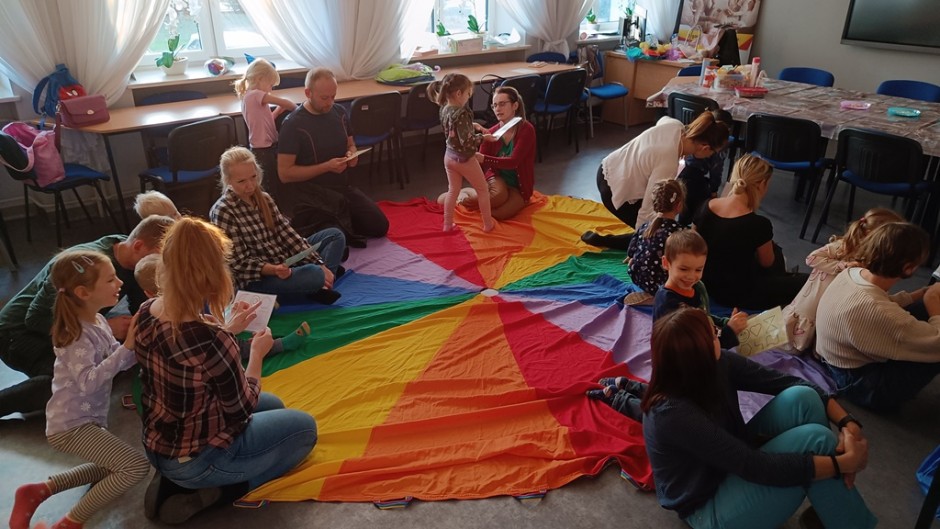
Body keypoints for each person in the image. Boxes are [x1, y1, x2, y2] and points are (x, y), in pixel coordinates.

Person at [135, 217, 318, 524]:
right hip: (199, 458)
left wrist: (226, 330)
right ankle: (218, 491)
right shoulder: (213, 340)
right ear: (214, 275)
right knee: (305, 430)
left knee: (274, 405)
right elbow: (241, 406)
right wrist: (256, 355)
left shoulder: (146, 311)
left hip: (160, 443)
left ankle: (173, 478)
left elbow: (192, 357)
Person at [642, 307, 877, 529]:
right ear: (699, 355)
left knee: (803, 398)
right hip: (708, 507)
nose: (720, 335)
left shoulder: (716, 364)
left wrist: (847, 423)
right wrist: (842, 464)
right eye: (714, 334)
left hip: (733, 460)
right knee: (818, 440)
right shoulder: (673, 414)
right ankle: (842, 509)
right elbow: (754, 465)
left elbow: (789, 382)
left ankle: (831, 500)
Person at [10, 250, 149, 529]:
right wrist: (128, 347)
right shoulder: (75, 335)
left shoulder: (98, 321)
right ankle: (69, 523)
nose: (120, 283)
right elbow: (89, 381)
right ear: (83, 293)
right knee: (134, 467)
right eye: (110, 280)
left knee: (111, 466)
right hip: (70, 426)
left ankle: (38, 490)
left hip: (86, 419)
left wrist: (141, 347)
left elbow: (117, 359)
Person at [0, 215, 175, 419]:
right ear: (138, 245)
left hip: (72, 324)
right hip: (18, 334)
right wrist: (105, 327)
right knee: (71, 388)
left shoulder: (131, 256)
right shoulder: (81, 266)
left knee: (115, 352)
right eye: (159, 257)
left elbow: (142, 307)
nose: (159, 265)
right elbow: (35, 320)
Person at [816, 222, 940, 412]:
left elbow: (882, 304)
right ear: (908, 268)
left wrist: (923, 293)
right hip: (861, 386)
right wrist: (933, 303)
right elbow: (882, 311)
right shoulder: (880, 311)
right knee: (931, 327)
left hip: (836, 362)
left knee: (924, 306)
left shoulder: (851, 273)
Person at [211, 146, 346, 303]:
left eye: (253, 177)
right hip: (258, 278)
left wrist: (319, 262)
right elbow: (239, 263)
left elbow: (287, 234)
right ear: (228, 180)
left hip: (284, 261)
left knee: (335, 235)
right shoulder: (224, 211)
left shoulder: (264, 198)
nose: (250, 185)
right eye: (241, 181)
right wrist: (274, 270)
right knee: (314, 274)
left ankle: (321, 283)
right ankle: (320, 280)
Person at [582, 111, 729, 250]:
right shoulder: (668, 162)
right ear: (705, 148)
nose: (710, 156)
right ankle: (604, 241)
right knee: (659, 235)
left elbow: (661, 120)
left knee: (660, 229)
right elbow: (647, 211)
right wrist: (642, 241)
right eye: (712, 153)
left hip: (608, 166)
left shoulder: (675, 125)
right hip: (612, 189)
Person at [277, 67, 389, 244]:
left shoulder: (340, 112)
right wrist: (326, 167)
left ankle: (340, 223)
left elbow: (350, 144)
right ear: (308, 93)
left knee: (379, 226)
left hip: (341, 187)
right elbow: (285, 174)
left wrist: (352, 154)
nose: (329, 102)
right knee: (337, 238)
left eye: (333, 96)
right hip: (310, 193)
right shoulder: (293, 124)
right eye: (324, 98)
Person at [133, 250, 311, 359]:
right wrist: (229, 334)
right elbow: (210, 346)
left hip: (210, 338)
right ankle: (278, 345)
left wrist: (222, 326)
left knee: (230, 320)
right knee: (239, 346)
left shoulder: (148, 310)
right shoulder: (177, 324)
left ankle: (260, 324)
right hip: (215, 363)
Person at [693, 154, 808, 310]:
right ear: (761, 184)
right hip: (737, 293)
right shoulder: (758, 224)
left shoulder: (706, 206)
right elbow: (767, 263)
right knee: (808, 281)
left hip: (706, 283)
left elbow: (693, 242)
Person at [783, 208, 904, 352]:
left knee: (825, 323)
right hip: (816, 297)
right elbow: (812, 258)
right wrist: (843, 266)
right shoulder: (843, 246)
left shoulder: (870, 254)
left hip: (833, 299)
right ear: (871, 234)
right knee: (800, 331)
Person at [652, 230, 748, 350]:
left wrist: (726, 322)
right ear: (666, 263)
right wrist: (730, 331)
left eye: (698, 270)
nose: (691, 276)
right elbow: (696, 346)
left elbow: (705, 316)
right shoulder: (668, 305)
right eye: (683, 269)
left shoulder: (698, 286)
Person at [451, 86, 536, 221]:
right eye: (494, 105)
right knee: (497, 197)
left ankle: (468, 197)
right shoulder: (490, 133)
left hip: (518, 187)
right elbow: (480, 167)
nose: (497, 109)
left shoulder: (527, 129)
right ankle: (460, 198)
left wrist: (483, 158)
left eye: (502, 104)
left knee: (498, 214)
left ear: (515, 106)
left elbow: (513, 162)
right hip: (497, 179)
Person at [428, 72, 496, 232]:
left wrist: (473, 125)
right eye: (467, 94)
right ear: (459, 93)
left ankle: (447, 224)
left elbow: (454, 127)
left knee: (453, 190)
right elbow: (467, 141)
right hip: (464, 159)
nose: (468, 97)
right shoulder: (462, 113)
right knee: (483, 190)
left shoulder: (445, 108)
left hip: (449, 156)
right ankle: (488, 224)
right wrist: (484, 138)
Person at [233, 58, 296, 200]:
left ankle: (272, 204)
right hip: (264, 149)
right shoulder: (256, 95)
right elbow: (284, 102)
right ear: (260, 79)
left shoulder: (249, 96)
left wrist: (278, 112)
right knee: (271, 183)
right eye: (270, 85)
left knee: (270, 181)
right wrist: (299, 112)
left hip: (261, 147)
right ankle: (271, 206)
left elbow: (264, 121)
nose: (271, 89)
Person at [623, 179, 687, 305]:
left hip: (636, 276)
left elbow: (631, 251)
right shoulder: (680, 232)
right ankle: (658, 297)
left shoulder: (645, 226)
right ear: (679, 205)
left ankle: (652, 292)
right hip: (658, 284)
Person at [676, 110, 733, 226]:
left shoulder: (696, 135)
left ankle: (682, 224)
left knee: (684, 203)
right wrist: (714, 190)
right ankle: (695, 226)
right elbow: (716, 169)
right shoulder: (717, 143)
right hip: (694, 176)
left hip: (681, 172)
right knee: (702, 205)